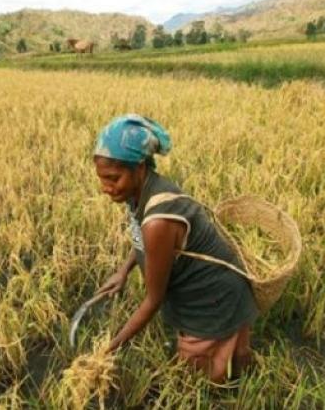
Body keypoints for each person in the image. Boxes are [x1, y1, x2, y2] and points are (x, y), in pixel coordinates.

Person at [93, 114, 258, 383]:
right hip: (206, 289)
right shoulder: (142, 191)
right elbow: (145, 242)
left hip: (214, 299)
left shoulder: (159, 220)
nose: (106, 188)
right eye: (102, 179)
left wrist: (112, 347)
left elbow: (153, 300)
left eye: (113, 178)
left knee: (204, 380)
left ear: (139, 168)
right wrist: (124, 270)